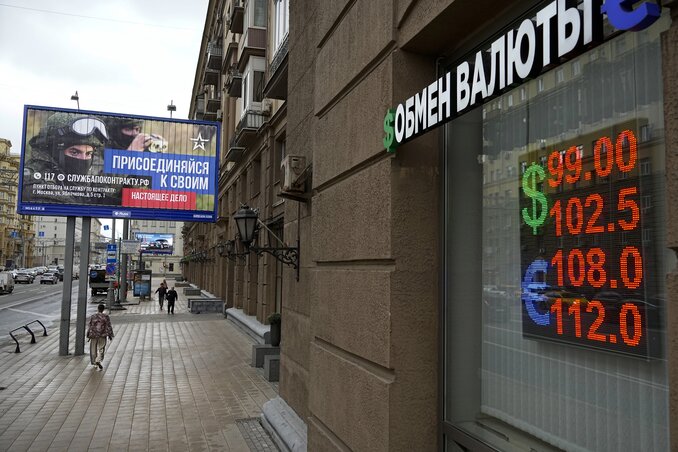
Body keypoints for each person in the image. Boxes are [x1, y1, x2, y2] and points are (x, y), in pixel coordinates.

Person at [23, 112, 109, 204]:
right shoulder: (36, 183)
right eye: (75, 152)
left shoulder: (74, 178)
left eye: (88, 153)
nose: (83, 159)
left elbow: (106, 192)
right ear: (54, 151)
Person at [86, 303, 114, 370]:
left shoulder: (93, 316)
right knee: (101, 348)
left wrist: (88, 334)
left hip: (94, 334)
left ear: (98, 309)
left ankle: (94, 362)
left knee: (93, 348)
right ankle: (98, 359)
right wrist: (110, 334)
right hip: (102, 334)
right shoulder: (106, 317)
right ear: (103, 309)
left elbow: (90, 325)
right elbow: (108, 326)